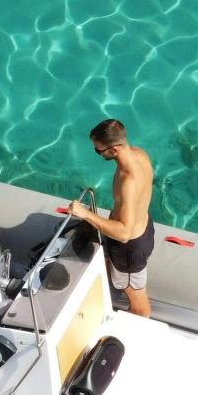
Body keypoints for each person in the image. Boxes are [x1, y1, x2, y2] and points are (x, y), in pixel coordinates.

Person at [66, 118, 156, 317]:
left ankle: (131, 331)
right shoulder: (140, 154)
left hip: (129, 249)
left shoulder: (128, 180)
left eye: (98, 151)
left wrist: (85, 214)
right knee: (113, 270)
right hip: (143, 228)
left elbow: (124, 234)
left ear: (114, 149)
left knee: (139, 304)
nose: (98, 154)